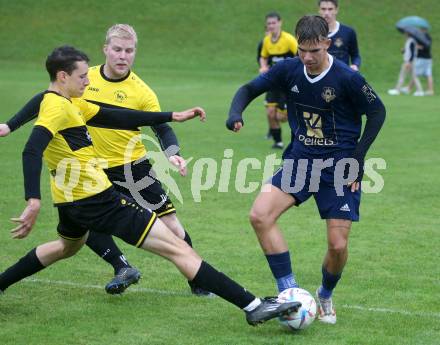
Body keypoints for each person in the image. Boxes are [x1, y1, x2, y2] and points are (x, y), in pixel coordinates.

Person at [0, 46, 300, 326]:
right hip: (97, 200)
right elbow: (31, 150)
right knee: (178, 248)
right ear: (62, 76)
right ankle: (253, 306)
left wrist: (171, 116)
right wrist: (32, 200)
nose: (87, 80)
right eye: (82, 76)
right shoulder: (57, 107)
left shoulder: (66, 101)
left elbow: (117, 115)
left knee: (66, 247)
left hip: (70, 202)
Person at [0, 24, 211, 296]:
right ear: (106, 49)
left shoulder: (141, 91)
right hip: (92, 172)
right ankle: (121, 265)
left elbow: (159, 126)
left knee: (171, 227)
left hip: (133, 168)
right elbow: (45, 99)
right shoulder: (81, 78)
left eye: (129, 50)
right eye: (118, 49)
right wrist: (10, 125)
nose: (123, 56)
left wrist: (173, 153)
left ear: (135, 53)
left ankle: (199, 281)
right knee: (84, 223)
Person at [226, 15, 386, 324]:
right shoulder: (288, 69)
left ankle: (325, 294)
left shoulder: (347, 78)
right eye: (302, 50)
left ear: (327, 43)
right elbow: (248, 89)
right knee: (260, 215)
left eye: (314, 50)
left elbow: (377, 112)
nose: (308, 57)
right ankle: (290, 293)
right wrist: (235, 112)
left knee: (338, 246)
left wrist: (358, 159)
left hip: (339, 168)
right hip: (301, 161)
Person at [259, 12, 298, 149]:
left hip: (287, 84)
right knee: (270, 113)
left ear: (280, 23)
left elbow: (300, 56)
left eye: (273, 23)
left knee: (281, 117)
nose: (271, 26)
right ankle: (278, 142)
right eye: (269, 23)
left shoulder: (289, 40)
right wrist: (263, 67)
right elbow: (263, 56)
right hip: (272, 83)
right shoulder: (266, 40)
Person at [318, 0, 361, 71]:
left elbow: (355, 55)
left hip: (342, 77)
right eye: (323, 9)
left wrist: (355, 65)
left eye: (330, 9)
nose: (326, 13)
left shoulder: (348, 32)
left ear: (336, 10)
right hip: (320, 76)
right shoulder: (312, 33)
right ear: (319, 10)